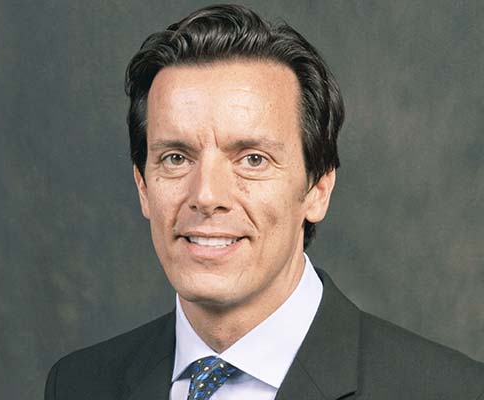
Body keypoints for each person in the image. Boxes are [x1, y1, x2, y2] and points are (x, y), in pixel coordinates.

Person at [45, 4, 483, 400]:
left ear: (318, 189)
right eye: (176, 158)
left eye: (253, 159)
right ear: (143, 185)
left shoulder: (452, 391)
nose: (207, 196)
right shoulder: (79, 384)